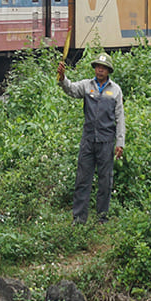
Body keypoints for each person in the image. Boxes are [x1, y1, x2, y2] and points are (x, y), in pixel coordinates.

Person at [57, 52, 125, 224]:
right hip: (88, 140)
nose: (100, 70)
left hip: (106, 141)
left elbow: (120, 118)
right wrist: (62, 78)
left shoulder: (115, 90)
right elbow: (70, 89)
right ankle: (79, 218)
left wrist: (120, 143)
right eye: (97, 67)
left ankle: (102, 217)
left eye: (103, 68)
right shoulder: (87, 86)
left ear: (109, 70)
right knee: (82, 180)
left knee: (105, 181)